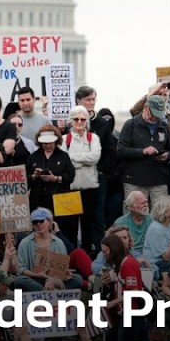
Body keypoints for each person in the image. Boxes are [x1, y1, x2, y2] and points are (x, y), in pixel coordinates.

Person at [117, 94, 170, 211]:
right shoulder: (131, 125)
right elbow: (121, 150)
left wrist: (167, 155)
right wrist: (142, 151)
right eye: (153, 114)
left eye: (158, 115)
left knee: (162, 214)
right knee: (135, 214)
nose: (155, 118)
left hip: (158, 179)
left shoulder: (164, 126)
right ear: (146, 107)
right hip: (135, 179)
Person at [10, 208, 81, 291]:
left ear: (49, 222)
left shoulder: (58, 242)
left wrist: (62, 274)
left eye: (41, 221)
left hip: (55, 279)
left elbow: (62, 267)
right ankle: (45, 291)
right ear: (32, 225)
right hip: (34, 279)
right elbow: (21, 269)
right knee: (20, 281)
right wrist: (37, 275)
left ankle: (49, 289)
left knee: (77, 279)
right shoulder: (25, 242)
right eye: (35, 222)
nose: (39, 224)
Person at [64, 105, 102, 254]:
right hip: (71, 188)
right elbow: (65, 161)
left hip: (90, 188)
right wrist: (83, 161)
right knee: (70, 226)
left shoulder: (94, 138)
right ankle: (72, 255)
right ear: (71, 121)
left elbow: (95, 158)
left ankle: (86, 255)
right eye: (76, 119)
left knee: (88, 225)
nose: (79, 122)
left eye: (83, 119)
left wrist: (74, 159)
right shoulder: (64, 139)